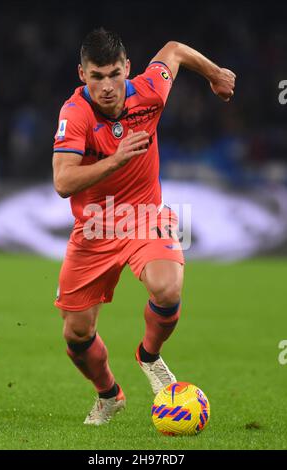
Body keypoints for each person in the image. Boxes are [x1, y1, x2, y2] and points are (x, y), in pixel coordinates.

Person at [52, 28, 235, 425]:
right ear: (82, 75)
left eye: (114, 74)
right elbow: (63, 182)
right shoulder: (74, 114)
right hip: (94, 228)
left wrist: (215, 74)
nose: (107, 86)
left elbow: (174, 50)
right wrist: (115, 160)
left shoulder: (150, 89)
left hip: (143, 216)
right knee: (76, 336)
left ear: (127, 69)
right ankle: (109, 395)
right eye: (96, 76)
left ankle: (148, 356)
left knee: (167, 288)